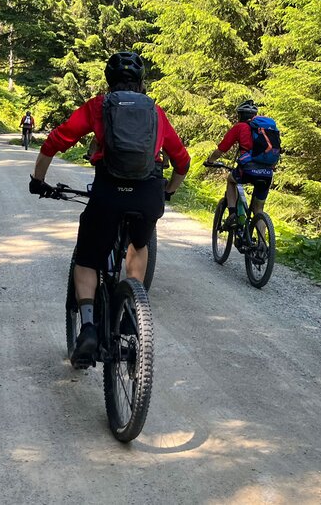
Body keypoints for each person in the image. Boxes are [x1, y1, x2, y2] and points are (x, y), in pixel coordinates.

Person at [28, 51, 190, 367]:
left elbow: (56, 140)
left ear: (109, 81)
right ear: (141, 83)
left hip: (108, 193)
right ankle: (131, 312)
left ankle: (88, 326)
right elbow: (182, 160)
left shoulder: (99, 106)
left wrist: (39, 179)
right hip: (147, 195)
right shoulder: (155, 112)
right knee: (138, 245)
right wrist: (169, 190)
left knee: (88, 256)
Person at [204, 100, 277, 229]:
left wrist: (210, 161)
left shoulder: (240, 127)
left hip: (248, 170)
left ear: (240, 115)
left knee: (231, 180)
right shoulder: (266, 129)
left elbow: (222, 149)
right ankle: (263, 246)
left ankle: (232, 215)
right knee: (258, 209)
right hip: (267, 172)